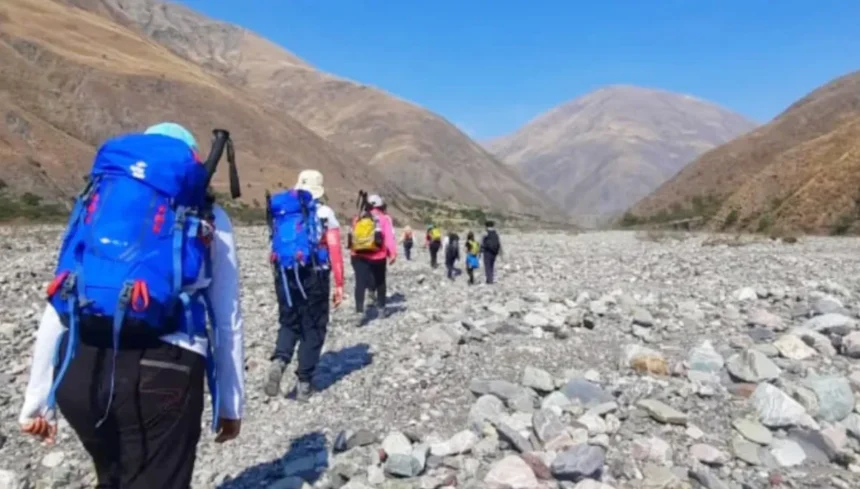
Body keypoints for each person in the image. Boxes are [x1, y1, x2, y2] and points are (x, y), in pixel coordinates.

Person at [19, 122, 245, 489]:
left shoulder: (98, 201)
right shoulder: (206, 214)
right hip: (165, 369)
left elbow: (62, 298)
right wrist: (230, 404)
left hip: (81, 370)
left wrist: (37, 399)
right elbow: (226, 315)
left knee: (113, 479)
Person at [264, 170, 345, 402]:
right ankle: (304, 383)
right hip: (314, 276)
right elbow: (335, 252)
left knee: (289, 321)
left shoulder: (283, 211)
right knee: (314, 326)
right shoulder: (324, 212)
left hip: (285, 274)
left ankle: (280, 361)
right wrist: (339, 284)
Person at [349, 193, 396, 316]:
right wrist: (392, 253)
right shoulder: (384, 219)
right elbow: (389, 237)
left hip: (358, 255)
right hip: (378, 255)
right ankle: (381, 308)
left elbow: (352, 235)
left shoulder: (358, 218)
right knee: (380, 281)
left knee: (360, 282)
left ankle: (359, 312)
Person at [481, 220, 502, 284]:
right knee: (492, 265)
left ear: (486, 226)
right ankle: (490, 278)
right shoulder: (496, 233)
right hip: (494, 252)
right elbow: (499, 243)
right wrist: (500, 252)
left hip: (487, 251)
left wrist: (479, 251)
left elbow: (481, 242)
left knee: (487, 266)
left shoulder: (485, 233)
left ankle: (489, 280)